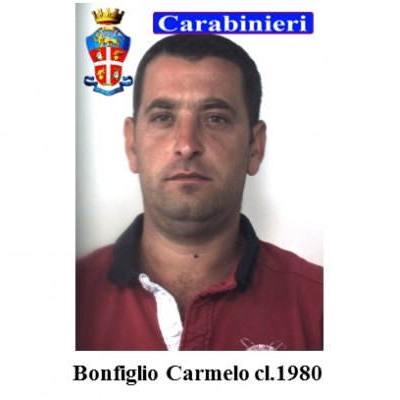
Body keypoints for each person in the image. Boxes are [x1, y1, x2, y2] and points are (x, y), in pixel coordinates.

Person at [76, 34, 323, 351]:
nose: (187, 145)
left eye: (215, 118)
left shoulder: (321, 306)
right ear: (132, 144)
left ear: (255, 148)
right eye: (163, 117)